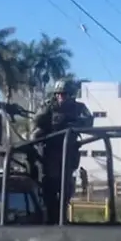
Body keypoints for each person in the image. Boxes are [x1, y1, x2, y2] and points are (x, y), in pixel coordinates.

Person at [33, 78, 94, 224]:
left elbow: (89, 121)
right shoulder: (49, 105)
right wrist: (48, 116)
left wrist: (72, 123)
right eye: (58, 94)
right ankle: (51, 218)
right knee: (48, 188)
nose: (61, 97)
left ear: (71, 95)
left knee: (66, 188)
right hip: (50, 152)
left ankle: (61, 217)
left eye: (64, 94)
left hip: (68, 152)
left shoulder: (79, 107)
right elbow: (37, 121)